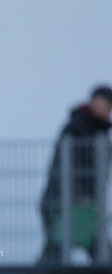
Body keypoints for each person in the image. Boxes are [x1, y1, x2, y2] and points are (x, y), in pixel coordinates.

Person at [39, 85, 112, 264]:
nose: (106, 111)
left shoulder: (95, 131)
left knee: (62, 250)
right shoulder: (78, 129)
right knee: (58, 251)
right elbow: (70, 168)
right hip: (65, 203)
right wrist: (81, 195)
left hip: (79, 205)